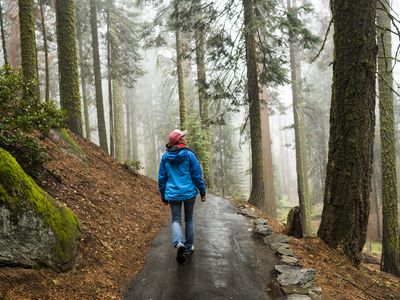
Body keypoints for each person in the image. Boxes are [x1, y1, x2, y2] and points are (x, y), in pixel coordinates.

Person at [158, 129, 206, 264]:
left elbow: (162, 178)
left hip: (173, 194)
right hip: (189, 193)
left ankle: (179, 242)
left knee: (176, 220)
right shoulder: (189, 155)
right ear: (179, 141)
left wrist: (163, 195)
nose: (185, 138)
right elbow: (197, 175)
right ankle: (189, 247)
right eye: (183, 137)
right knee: (189, 219)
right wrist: (202, 191)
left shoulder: (165, 157)